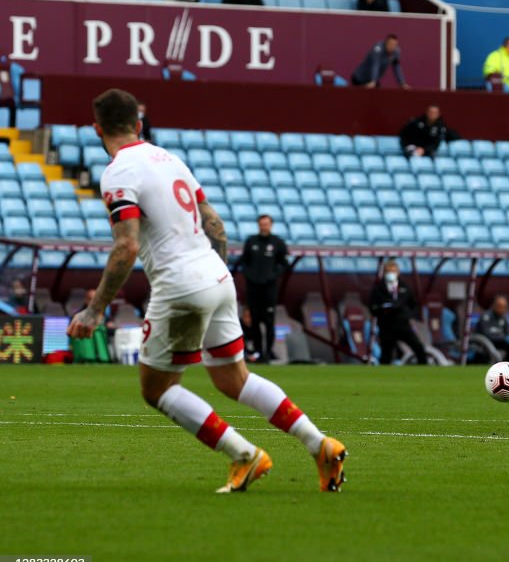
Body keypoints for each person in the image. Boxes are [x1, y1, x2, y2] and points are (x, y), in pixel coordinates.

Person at [67, 88, 346, 493]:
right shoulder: (170, 159)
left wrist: (94, 311)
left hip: (179, 284)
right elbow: (214, 223)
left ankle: (244, 456)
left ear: (97, 130)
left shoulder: (118, 172)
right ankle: (319, 444)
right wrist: (213, 272)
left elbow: (126, 245)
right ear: (139, 125)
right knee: (234, 378)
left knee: (158, 389)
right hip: (216, 276)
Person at [238, 215, 288, 363]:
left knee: (269, 321)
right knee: (254, 322)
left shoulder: (277, 242)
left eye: (266, 224)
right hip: (253, 289)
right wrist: (249, 275)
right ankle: (259, 351)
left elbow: (284, 264)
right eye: (261, 224)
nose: (263, 227)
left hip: (269, 290)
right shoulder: (251, 241)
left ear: (271, 225)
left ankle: (269, 351)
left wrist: (272, 276)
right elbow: (244, 262)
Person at [369, 260, 428, 365]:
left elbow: (413, 304)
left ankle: (423, 370)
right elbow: (372, 306)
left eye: (393, 271)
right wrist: (382, 312)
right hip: (387, 326)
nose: (391, 273)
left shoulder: (404, 287)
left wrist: (407, 315)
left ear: (398, 272)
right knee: (386, 354)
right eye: (388, 271)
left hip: (403, 325)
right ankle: (383, 377)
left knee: (418, 348)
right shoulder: (378, 289)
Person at [476, 295, 509, 364]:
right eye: (500, 306)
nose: (502, 309)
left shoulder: (504, 318)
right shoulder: (486, 316)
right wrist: (503, 338)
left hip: (500, 341)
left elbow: (507, 333)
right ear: (494, 305)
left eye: (504, 307)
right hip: (487, 341)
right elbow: (486, 334)